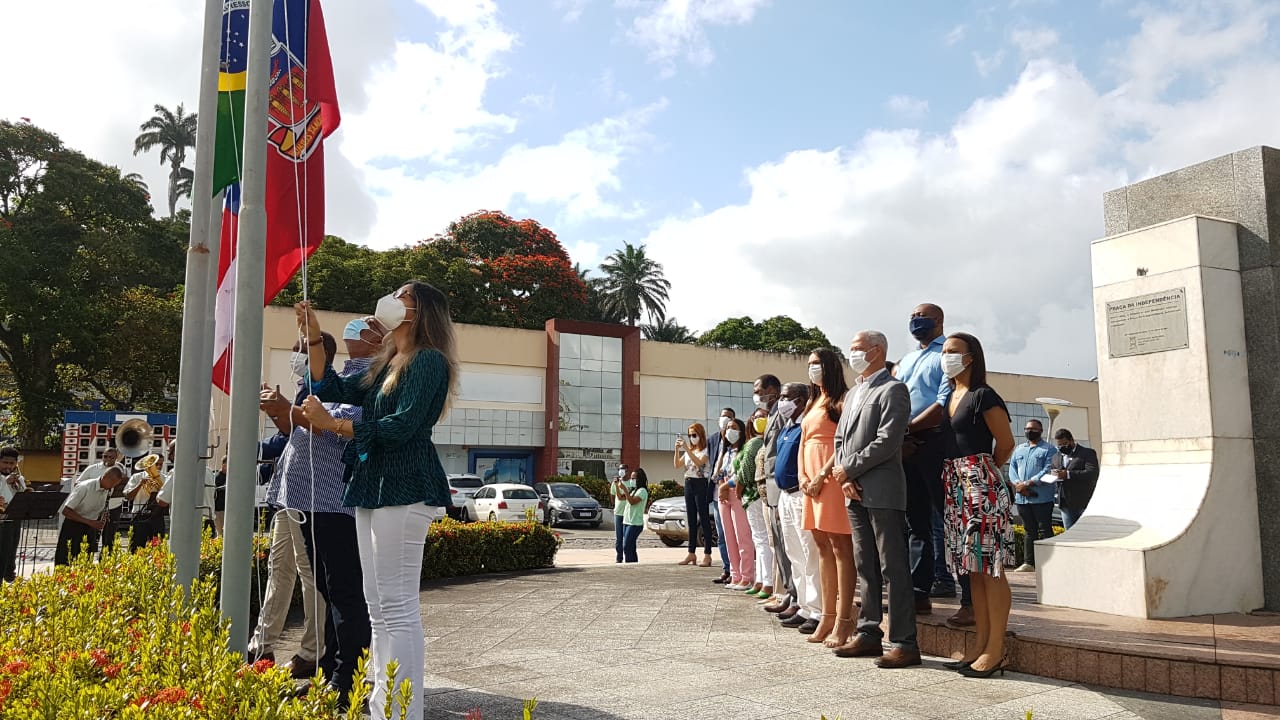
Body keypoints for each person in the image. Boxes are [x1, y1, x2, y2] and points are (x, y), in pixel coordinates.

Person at [297, 280, 458, 720]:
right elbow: (330, 386)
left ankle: (403, 712)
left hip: (405, 487)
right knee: (378, 607)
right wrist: (313, 336)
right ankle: (384, 707)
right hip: (374, 485)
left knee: (397, 607)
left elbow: (403, 427)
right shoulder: (390, 361)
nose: (393, 300)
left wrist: (333, 426)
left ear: (420, 311)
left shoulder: (428, 361)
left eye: (403, 295)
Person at [261, 328, 373, 693]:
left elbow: (338, 425)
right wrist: (285, 413)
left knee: (342, 592)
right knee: (326, 587)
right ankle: (329, 667)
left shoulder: (365, 379)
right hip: (302, 498)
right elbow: (299, 433)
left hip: (332, 501)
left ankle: (344, 679)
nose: (298, 355)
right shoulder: (322, 384)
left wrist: (292, 412)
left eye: (305, 349)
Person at [828, 331, 919, 667]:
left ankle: (904, 642)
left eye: (857, 349)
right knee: (865, 564)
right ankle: (868, 633)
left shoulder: (893, 389)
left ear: (877, 351)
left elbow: (888, 439)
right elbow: (840, 439)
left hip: (882, 489)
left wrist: (848, 470)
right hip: (853, 490)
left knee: (892, 566)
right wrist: (844, 476)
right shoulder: (853, 393)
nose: (851, 355)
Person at [940, 332, 1016, 678]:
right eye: (944, 351)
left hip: (979, 480)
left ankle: (996, 649)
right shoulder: (950, 396)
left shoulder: (983, 395)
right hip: (954, 483)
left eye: (953, 351)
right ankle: (981, 644)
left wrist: (984, 473)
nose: (946, 357)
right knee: (973, 570)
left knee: (991, 567)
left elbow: (1006, 442)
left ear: (971, 357)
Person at [896, 303, 956, 620]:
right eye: (911, 317)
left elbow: (942, 404)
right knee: (915, 522)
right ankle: (919, 592)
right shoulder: (907, 360)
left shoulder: (946, 354)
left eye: (921, 316)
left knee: (947, 520)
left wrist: (907, 427)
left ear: (938, 320)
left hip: (934, 442)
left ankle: (964, 590)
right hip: (904, 447)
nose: (915, 320)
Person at [248, 435, 325, 676]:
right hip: (285, 493)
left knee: (308, 571)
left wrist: (279, 412)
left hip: (309, 490)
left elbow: (297, 431)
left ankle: (313, 652)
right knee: (279, 569)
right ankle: (261, 646)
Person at [799, 348, 855, 645]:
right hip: (809, 480)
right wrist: (803, 476)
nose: (812, 368)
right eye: (809, 364)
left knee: (839, 546)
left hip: (830, 477)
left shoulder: (843, 399)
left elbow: (844, 442)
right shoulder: (812, 401)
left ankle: (844, 618)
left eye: (817, 363)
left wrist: (821, 474)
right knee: (821, 545)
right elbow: (803, 441)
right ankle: (827, 614)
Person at [774, 383, 822, 630]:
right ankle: (803, 605)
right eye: (781, 397)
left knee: (809, 553)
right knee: (794, 554)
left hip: (801, 494)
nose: (782, 402)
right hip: (785, 496)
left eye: (786, 397)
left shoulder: (806, 425)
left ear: (802, 400)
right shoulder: (787, 428)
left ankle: (817, 610)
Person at [753, 374, 794, 610]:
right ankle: (789, 591)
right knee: (777, 542)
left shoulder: (782, 412)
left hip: (779, 484)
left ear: (772, 390)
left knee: (786, 543)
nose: (757, 396)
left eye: (759, 390)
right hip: (770, 485)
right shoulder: (771, 415)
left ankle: (794, 594)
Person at [1009, 419, 1059, 572]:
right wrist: (1018, 484)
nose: (1030, 431)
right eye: (1027, 428)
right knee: (1029, 530)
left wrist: (1029, 483)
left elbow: (1049, 470)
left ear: (1041, 431)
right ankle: (1028, 562)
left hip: (1042, 498)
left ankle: (1049, 562)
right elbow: (1012, 468)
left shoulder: (1050, 449)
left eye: (1033, 429)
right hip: (1022, 498)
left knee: (1045, 529)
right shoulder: (1019, 449)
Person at [55, 465, 125, 566]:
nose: (113, 487)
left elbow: (97, 507)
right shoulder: (85, 487)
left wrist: (102, 514)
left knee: (86, 561)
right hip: (73, 527)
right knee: (66, 560)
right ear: (106, 477)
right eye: (113, 483)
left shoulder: (107, 489)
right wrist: (90, 522)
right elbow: (66, 511)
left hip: (90, 528)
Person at [714, 418, 754, 590]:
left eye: (734, 427)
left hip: (736, 492)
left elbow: (741, 473)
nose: (730, 431)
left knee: (742, 536)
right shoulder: (726, 452)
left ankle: (747, 576)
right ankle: (735, 574)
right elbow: (718, 473)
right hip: (723, 495)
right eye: (728, 428)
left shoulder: (745, 450)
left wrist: (726, 484)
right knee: (728, 537)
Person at [741, 408, 774, 599]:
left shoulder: (755, 443)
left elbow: (745, 473)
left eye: (763, 416)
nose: (759, 420)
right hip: (756, 496)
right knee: (759, 540)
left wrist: (737, 487)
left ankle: (766, 582)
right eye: (756, 417)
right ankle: (761, 580)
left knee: (762, 540)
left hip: (754, 495)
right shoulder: (759, 442)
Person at [673, 424, 712, 567]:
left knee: (704, 518)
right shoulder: (691, 450)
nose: (691, 438)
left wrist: (687, 449)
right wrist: (677, 449)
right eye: (689, 435)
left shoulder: (705, 450)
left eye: (694, 435)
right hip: (689, 482)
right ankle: (691, 552)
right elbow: (677, 464)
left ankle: (707, 554)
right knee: (690, 519)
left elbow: (699, 462)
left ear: (701, 435)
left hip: (700, 483)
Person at [706, 407, 736, 583]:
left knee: (735, 534)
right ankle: (727, 568)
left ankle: (737, 570)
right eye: (723, 416)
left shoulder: (736, 439)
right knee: (722, 534)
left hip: (733, 492)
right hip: (717, 494)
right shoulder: (713, 440)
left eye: (729, 417)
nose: (725, 420)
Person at [1051, 429, 1100, 530]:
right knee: (1069, 535)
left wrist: (1068, 474)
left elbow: (1092, 473)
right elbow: (1053, 471)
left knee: (1086, 533)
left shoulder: (1087, 453)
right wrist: (1054, 475)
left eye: (1064, 444)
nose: (1061, 447)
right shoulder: (1056, 456)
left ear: (1071, 440)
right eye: (1059, 445)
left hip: (1082, 501)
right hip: (1065, 503)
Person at [0, 447, 27, 582]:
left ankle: (9, 572)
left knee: (11, 549)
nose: (8, 467)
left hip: (14, 518)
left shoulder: (19, 478)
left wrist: (18, 485)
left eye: (12, 464)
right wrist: (5, 482)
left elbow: (23, 496)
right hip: (1, 520)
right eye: (5, 463)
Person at [621, 469, 649, 563]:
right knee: (631, 547)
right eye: (631, 478)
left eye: (634, 478)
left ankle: (630, 564)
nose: (631, 480)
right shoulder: (633, 490)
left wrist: (625, 490)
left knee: (627, 546)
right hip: (627, 521)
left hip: (635, 523)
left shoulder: (642, 491)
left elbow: (632, 502)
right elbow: (622, 498)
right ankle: (633, 563)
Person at [611, 464, 630, 563]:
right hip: (618, 513)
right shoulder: (615, 483)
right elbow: (613, 496)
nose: (621, 471)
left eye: (623, 469)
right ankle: (619, 557)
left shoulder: (631, 483)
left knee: (627, 537)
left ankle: (628, 556)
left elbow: (623, 496)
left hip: (628, 513)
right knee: (619, 538)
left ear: (627, 471)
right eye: (620, 469)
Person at [213, 456, 227, 538]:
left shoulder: (230, 476)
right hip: (219, 510)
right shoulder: (217, 477)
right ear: (224, 465)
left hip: (227, 509)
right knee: (221, 534)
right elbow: (214, 492)